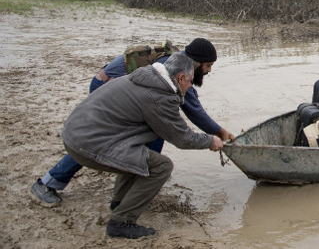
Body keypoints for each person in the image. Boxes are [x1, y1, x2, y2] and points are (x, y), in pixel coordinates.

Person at [31, 38, 235, 207]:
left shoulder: (175, 62)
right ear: (196, 63)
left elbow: (185, 109)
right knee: (96, 140)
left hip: (112, 84)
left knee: (150, 135)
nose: (208, 71)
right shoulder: (175, 71)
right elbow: (193, 112)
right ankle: (48, 183)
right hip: (107, 86)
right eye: (208, 66)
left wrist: (217, 132)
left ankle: (137, 180)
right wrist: (219, 133)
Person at [60, 52, 223, 238]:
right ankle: (121, 221)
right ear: (180, 77)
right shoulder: (160, 96)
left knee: (139, 154)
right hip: (85, 144)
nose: (190, 87)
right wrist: (211, 141)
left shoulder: (147, 77)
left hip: (75, 132)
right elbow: (182, 138)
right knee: (162, 166)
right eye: (190, 82)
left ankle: (119, 203)